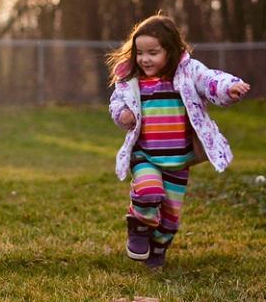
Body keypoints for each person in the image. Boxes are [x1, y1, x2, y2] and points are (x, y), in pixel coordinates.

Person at [106, 14, 250, 268]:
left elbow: (210, 80)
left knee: (170, 217)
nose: (145, 59)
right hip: (145, 154)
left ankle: (158, 248)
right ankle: (139, 226)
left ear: (170, 50)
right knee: (149, 190)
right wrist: (122, 114)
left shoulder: (187, 73)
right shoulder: (132, 79)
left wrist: (229, 88)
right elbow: (117, 101)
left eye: (153, 52)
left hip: (178, 159)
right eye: (140, 53)